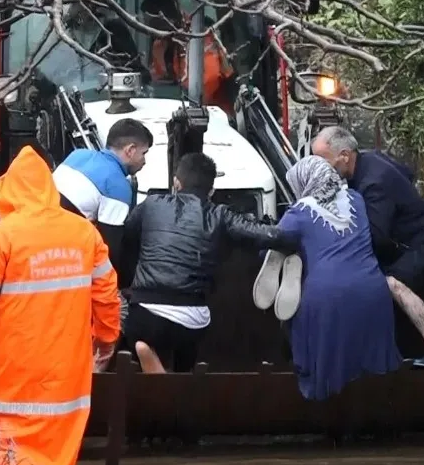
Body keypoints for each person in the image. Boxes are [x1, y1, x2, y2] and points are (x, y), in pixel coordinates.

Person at [0, 145, 121, 465]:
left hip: (17, 374)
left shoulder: (4, 236)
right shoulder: (84, 233)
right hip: (69, 377)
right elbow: (106, 294)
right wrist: (107, 339)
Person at [121, 152, 299, 372]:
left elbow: (126, 238)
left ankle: (153, 368)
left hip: (146, 311)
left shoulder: (151, 205)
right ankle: (178, 378)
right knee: (187, 355)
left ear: (176, 183)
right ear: (212, 191)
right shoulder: (220, 215)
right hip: (191, 315)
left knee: (135, 335)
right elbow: (264, 235)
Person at [254, 156, 403, 400]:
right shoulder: (357, 200)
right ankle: (373, 406)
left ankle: (323, 401)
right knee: (369, 365)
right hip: (373, 291)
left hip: (327, 296)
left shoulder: (299, 212)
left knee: (301, 334)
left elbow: (269, 243)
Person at [311, 126, 424, 368]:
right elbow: (406, 173)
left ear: (344, 155)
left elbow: (375, 237)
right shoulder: (369, 159)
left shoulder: (373, 182)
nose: (320, 169)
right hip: (408, 242)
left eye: (323, 161)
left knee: (392, 283)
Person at [52, 117, 153, 280]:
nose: (144, 161)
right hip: (59, 254)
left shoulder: (77, 155)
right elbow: (110, 249)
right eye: (143, 153)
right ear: (130, 150)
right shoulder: (117, 187)